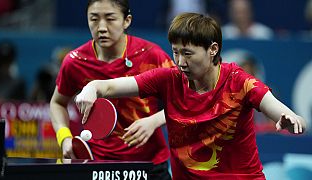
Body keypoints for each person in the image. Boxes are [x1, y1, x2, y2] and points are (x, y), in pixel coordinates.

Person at [75, 13, 306, 179]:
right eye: (175, 52)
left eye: (187, 53)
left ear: (213, 49)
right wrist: (92, 87)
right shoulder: (169, 79)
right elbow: (110, 87)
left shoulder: (239, 82)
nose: (180, 62)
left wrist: (290, 119)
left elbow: (284, 112)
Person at [50, 0, 174, 179]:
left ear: (127, 21)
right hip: (96, 165)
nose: (101, 27)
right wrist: (64, 138)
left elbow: (184, 99)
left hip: (149, 164)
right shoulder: (75, 61)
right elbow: (57, 103)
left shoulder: (151, 55)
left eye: (110, 19)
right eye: (94, 19)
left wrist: (153, 122)